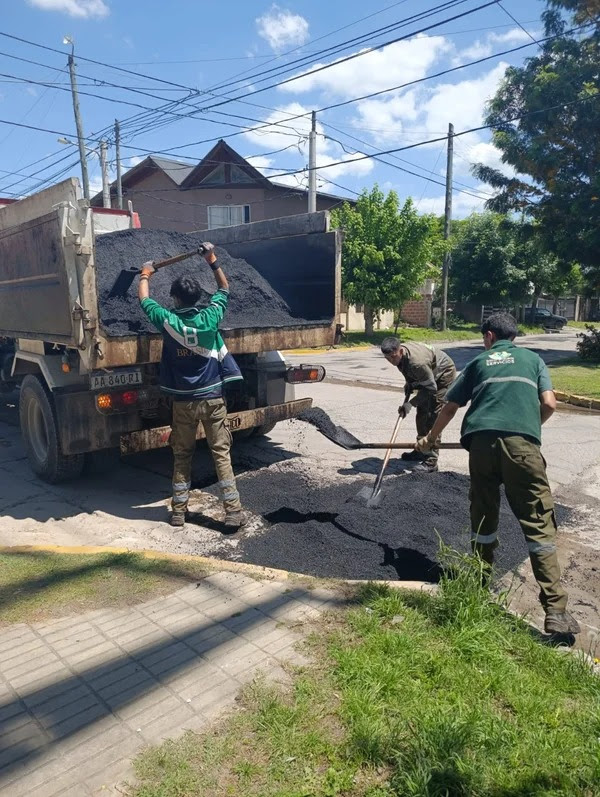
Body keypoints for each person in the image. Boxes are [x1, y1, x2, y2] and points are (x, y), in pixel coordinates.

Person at [415, 312, 579, 635]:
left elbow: (449, 407)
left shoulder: (480, 362)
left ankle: (478, 587)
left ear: (489, 336)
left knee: (483, 518)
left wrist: (430, 440)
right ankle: (556, 611)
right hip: (523, 451)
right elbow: (550, 403)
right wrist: (526, 429)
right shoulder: (534, 361)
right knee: (538, 525)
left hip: (481, 447)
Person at [138, 243, 246, 529]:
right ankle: (233, 511)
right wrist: (212, 260)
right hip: (212, 398)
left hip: (183, 403)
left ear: (174, 299)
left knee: (182, 454)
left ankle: (178, 512)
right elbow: (224, 289)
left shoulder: (168, 321)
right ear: (199, 297)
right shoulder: (210, 317)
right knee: (220, 453)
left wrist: (145, 275)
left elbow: (145, 302)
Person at [380, 337, 456, 472]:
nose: (391, 361)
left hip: (443, 375)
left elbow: (431, 389)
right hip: (428, 373)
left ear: (401, 351)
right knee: (421, 413)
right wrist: (410, 383)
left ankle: (431, 460)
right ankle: (421, 449)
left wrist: (410, 404)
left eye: (393, 357)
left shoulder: (417, 363)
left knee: (432, 415)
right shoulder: (400, 357)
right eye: (387, 359)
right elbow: (408, 370)